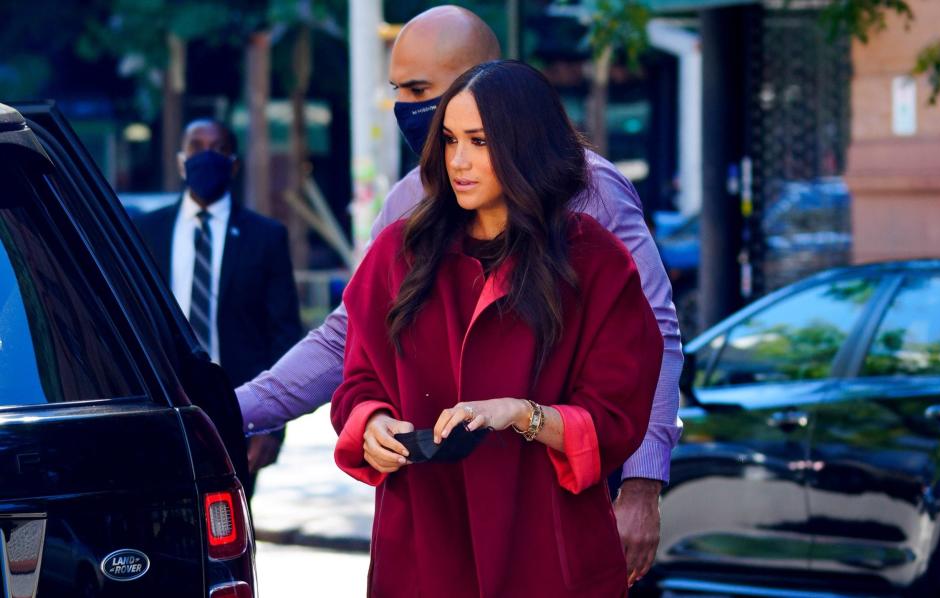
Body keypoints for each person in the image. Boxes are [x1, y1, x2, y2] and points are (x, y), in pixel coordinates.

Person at [237, 5, 683, 581]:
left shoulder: (591, 197)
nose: (409, 110)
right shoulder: (405, 215)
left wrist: (643, 486)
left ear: (489, 82)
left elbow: (652, 337)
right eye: (400, 91)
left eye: (423, 90)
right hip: (430, 520)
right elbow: (351, 344)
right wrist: (233, 411)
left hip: (553, 504)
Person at [332, 59, 663, 597]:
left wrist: (518, 414)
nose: (458, 161)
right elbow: (357, 380)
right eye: (449, 140)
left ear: (525, 145)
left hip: (546, 551)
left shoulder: (596, 262)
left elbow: (616, 419)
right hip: (422, 546)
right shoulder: (400, 251)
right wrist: (370, 424)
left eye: (480, 142)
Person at [136, 119, 302, 495]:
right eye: (197, 146)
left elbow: (284, 333)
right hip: (164, 408)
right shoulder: (146, 232)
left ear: (234, 163)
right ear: (182, 160)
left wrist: (274, 426)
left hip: (238, 412)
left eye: (219, 148)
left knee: (233, 531)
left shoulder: (266, 237)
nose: (207, 156)